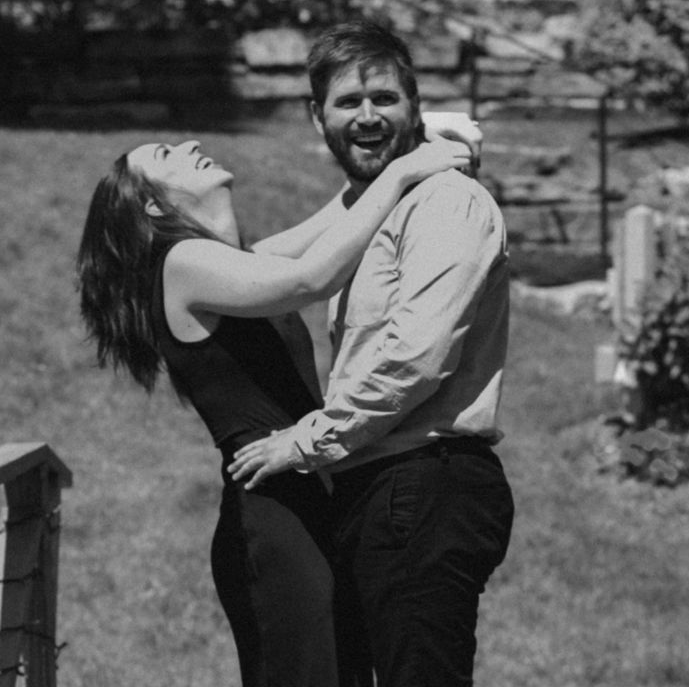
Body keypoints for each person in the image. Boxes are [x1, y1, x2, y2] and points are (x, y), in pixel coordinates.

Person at [75, 127, 474, 686]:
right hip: (274, 516)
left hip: (315, 494)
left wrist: (404, 144)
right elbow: (311, 278)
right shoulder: (182, 263)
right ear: (152, 204)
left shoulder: (236, 263)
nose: (190, 146)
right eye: (167, 154)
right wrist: (405, 171)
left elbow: (336, 218)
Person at [230, 19, 515, 687]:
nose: (366, 116)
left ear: (414, 107)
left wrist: (306, 442)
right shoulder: (372, 206)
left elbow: (414, 359)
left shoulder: (445, 202)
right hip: (378, 486)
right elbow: (268, 263)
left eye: (384, 98)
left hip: (424, 486)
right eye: (348, 102)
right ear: (317, 116)